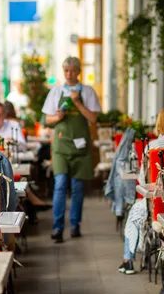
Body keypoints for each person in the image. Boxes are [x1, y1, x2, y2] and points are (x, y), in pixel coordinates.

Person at [42, 56, 102, 243]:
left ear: (79, 71)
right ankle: (58, 227)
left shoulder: (88, 92)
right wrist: (58, 117)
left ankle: (75, 225)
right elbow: (46, 121)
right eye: (66, 70)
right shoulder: (55, 92)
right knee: (60, 185)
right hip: (61, 146)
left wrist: (77, 103)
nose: (69, 74)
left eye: (73, 70)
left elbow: (93, 119)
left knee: (77, 188)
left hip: (81, 146)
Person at [119, 107, 164, 275]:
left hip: (157, 205)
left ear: (160, 124)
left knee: (134, 214)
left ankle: (128, 260)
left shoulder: (152, 147)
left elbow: (143, 180)